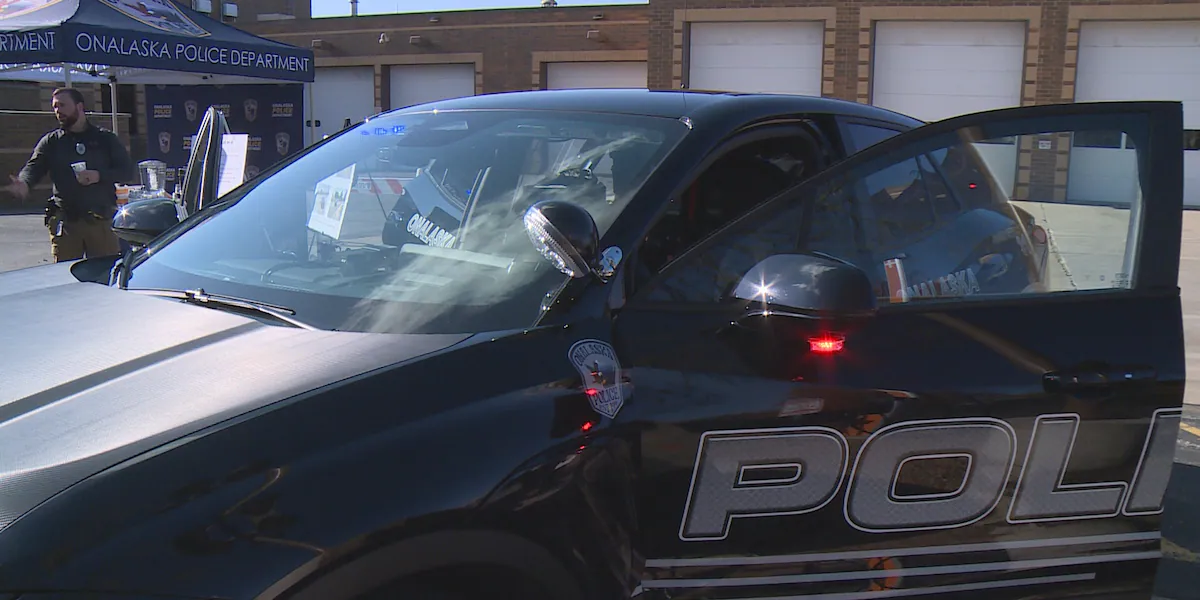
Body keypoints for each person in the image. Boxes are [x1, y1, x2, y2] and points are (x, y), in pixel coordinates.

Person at [3, 87, 135, 262]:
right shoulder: (52, 142)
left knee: (103, 277)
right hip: (66, 224)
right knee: (66, 279)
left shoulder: (105, 138)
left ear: (79, 107)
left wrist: (98, 175)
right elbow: (34, 167)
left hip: (100, 222)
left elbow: (127, 172)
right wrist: (24, 183)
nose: (58, 111)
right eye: (55, 107)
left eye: (62, 105)